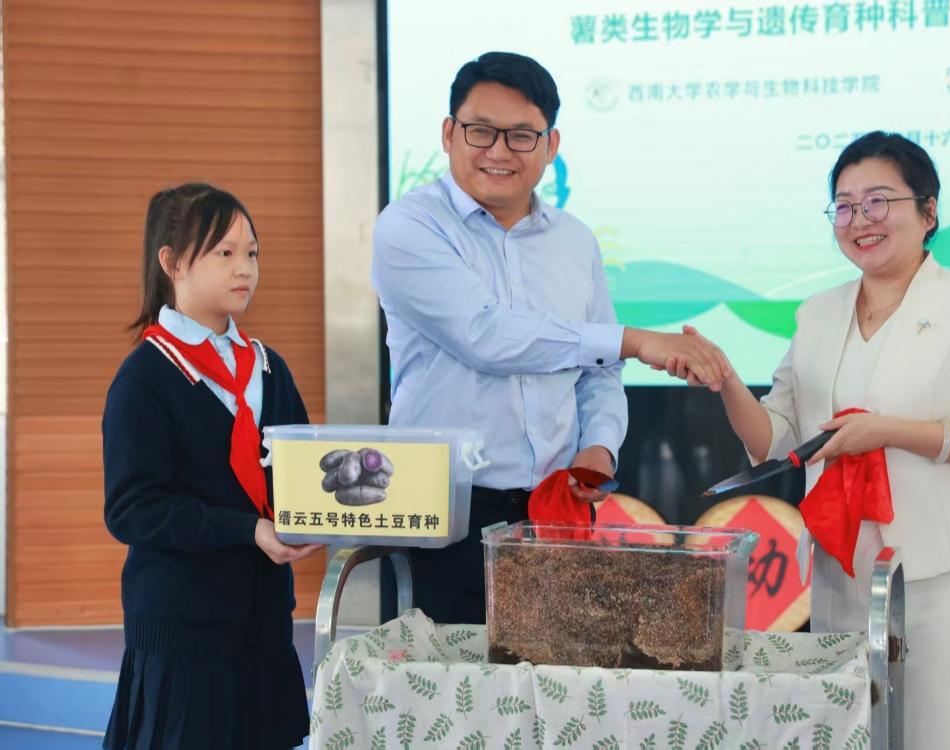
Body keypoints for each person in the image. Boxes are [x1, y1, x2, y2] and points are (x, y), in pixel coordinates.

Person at [678, 132, 950, 749]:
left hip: (947, 571)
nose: (860, 220)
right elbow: (778, 438)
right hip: (844, 568)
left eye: (878, 202)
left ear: (928, 211)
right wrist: (727, 381)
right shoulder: (818, 312)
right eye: (844, 206)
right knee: (852, 730)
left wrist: (886, 431)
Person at [371, 51, 729, 625]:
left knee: (558, 674)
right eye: (480, 130)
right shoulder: (410, 226)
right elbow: (485, 335)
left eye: (521, 135)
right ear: (448, 133)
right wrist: (636, 340)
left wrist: (600, 446)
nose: (498, 151)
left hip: (555, 508)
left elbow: (599, 370)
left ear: (551, 144)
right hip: (444, 510)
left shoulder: (574, 241)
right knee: (446, 675)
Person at [101, 183, 322, 750]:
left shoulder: (269, 368)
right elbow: (133, 509)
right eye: (224, 252)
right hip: (183, 636)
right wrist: (246, 529)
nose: (244, 268)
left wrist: (324, 514)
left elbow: (299, 476)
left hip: (264, 629)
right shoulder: (145, 376)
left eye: (251, 252)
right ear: (172, 262)